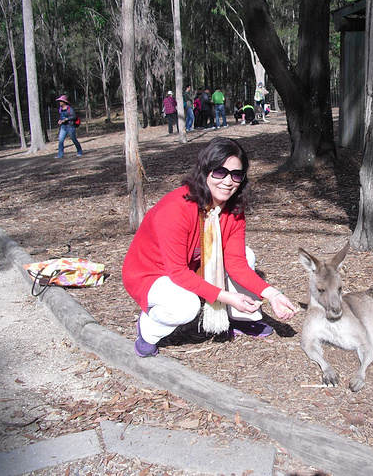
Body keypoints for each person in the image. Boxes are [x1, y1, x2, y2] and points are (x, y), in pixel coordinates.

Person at [122, 137, 297, 357]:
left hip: (191, 263)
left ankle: (240, 318)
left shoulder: (233, 210)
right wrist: (225, 296)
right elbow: (177, 272)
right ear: (204, 171)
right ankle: (148, 329)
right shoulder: (176, 209)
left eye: (236, 175)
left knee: (247, 255)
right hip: (151, 272)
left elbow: (236, 262)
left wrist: (273, 294)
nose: (228, 181)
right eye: (219, 172)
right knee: (186, 306)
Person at [55, 94, 83, 159]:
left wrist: (67, 119)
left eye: (60, 101)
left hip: (70, 126)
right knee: (61, 140)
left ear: (64, 102)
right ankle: (60, 155)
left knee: (74, 139)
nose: (59, 102)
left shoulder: (70, 109)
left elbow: (74, 116)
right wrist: (60, 120)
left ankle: (79, 151)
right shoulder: (60, 109)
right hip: (63, 127)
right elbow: (61, 117)